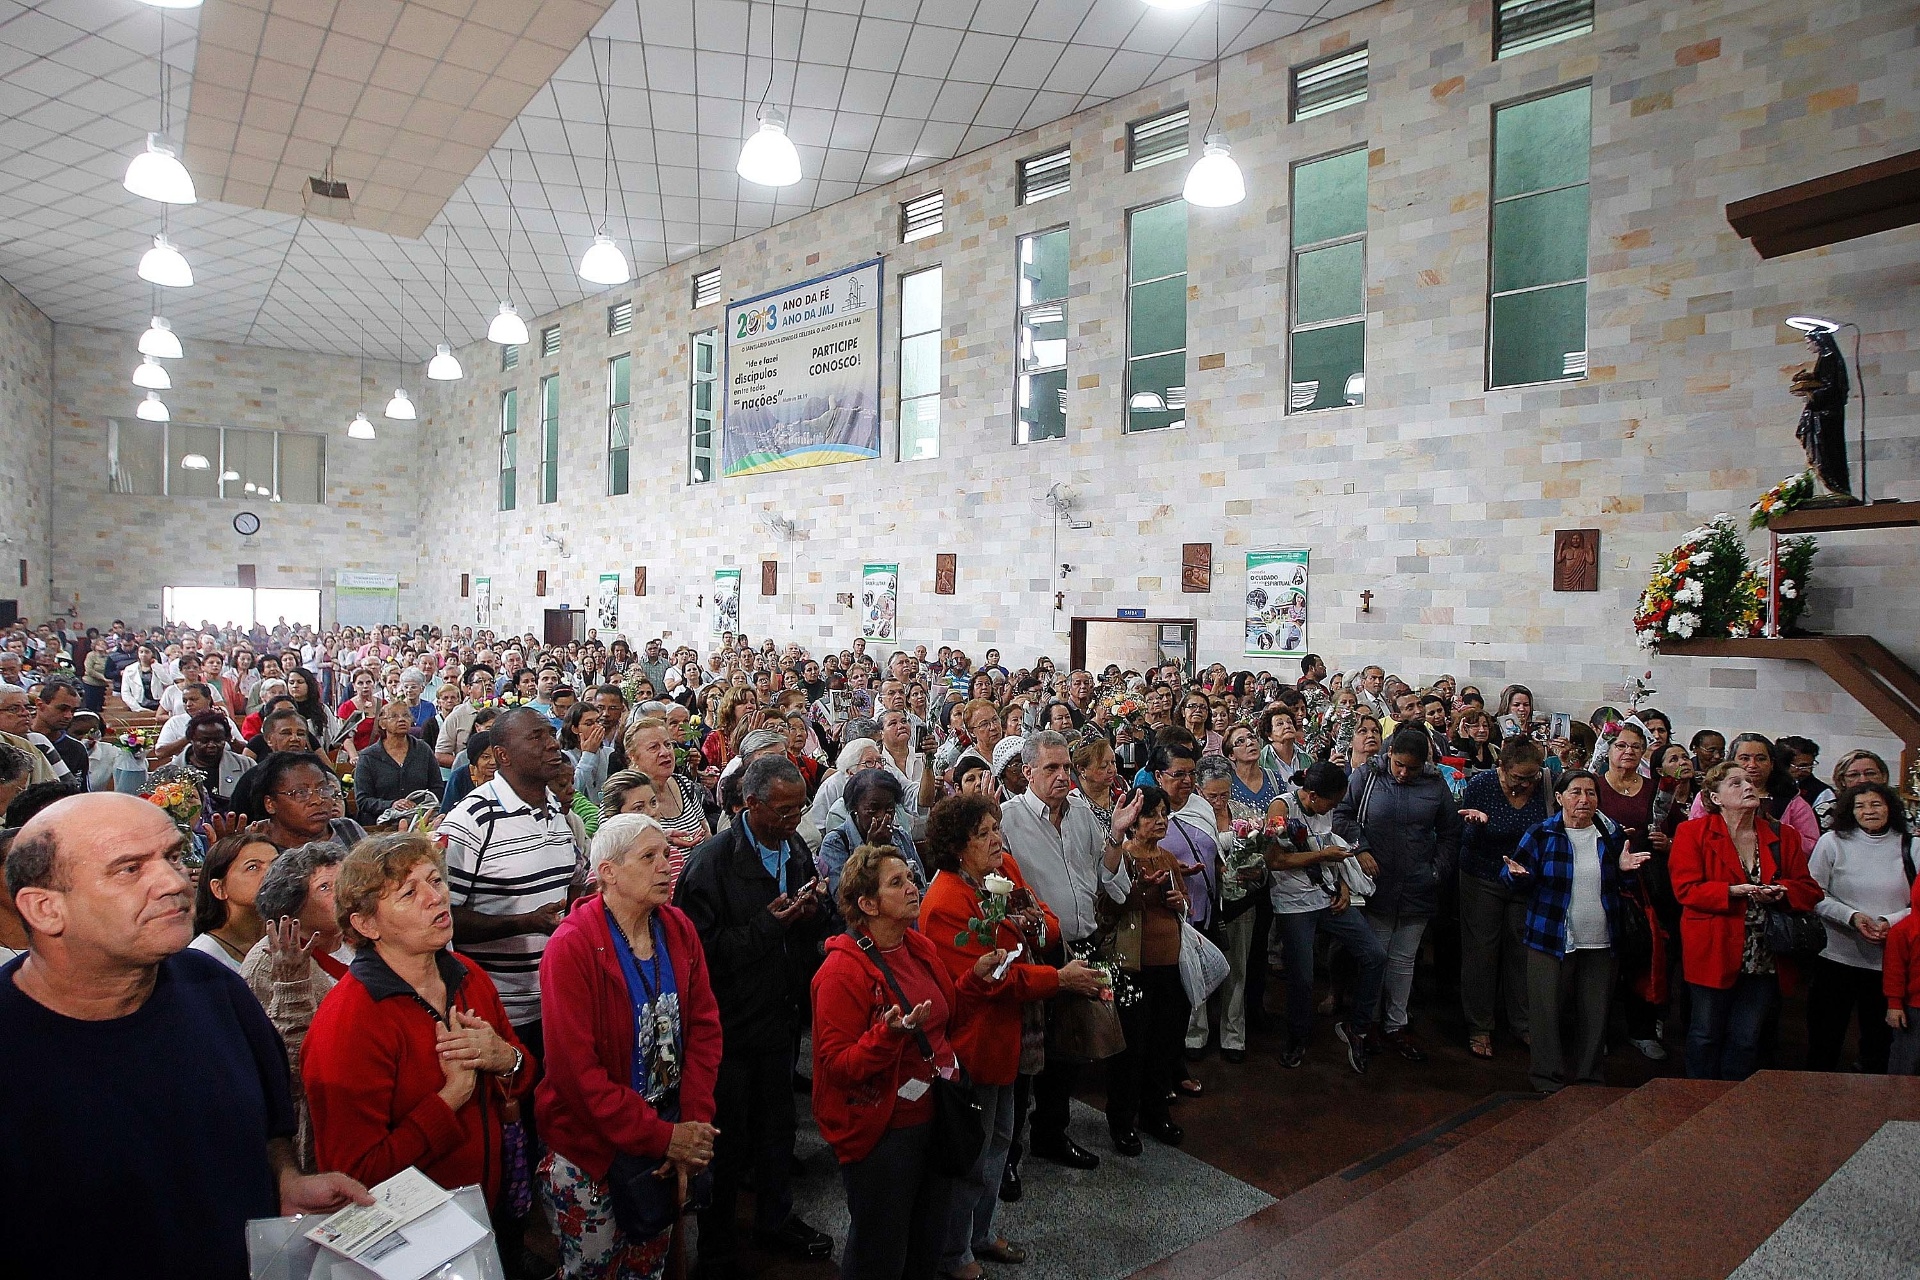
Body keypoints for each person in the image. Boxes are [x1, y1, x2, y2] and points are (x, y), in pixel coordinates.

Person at [0, 793, 370, 1279]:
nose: (174, 883)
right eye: (130, 869)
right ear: (45, 908)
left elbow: (267, 1130)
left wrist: (284, 1181)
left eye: (174, 857)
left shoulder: (216, 989)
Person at [303, 834, 534, 1223]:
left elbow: (524, 1073)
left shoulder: (468, 976)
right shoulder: (349, 1023)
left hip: (487, 1210)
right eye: (409, 893)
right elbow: (355, 1176)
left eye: (435, 880)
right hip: (411, 1233)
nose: (435, 897)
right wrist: (451, 1098)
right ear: (366, 924)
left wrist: (505, 1059)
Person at [921, 792, 1101, 1277]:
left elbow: (1048, 923)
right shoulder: (945, 901)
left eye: (996, 828)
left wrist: (1036, 926)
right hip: (975, 1037)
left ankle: (980, 1232)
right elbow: (993, 979)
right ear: (958, 846)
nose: (997, 839)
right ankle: (954, 1251)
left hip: (1015, 1033)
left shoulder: (1005, 872)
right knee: (971, 1150)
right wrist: (1057, 979)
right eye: (983, 833)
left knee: (1001, 1137)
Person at [537, 816, 723, 1280]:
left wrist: (692, 1122)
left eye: (666, 854)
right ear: (608, 871)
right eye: (649, 856)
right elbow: (577, 1075)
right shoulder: (572, 947)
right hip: (593, 1150)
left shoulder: (676, 927)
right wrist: (667, 1138)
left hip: (665, 1133)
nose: (667, 865)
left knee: (649, 1267)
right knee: (594, 1271)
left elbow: (703, 1027)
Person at [814, 843, 1007, 1280]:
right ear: (867, 904)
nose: (912, 886)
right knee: (879, 1252)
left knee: (927, 1241)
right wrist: (887, 1036)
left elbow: (944, 1016)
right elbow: (837, 1066)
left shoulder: (916, 946)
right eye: (896, 883)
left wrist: (973, 983)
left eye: (910, 877)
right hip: (883, 1129)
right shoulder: (840, 972)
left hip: (933, 1114)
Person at [672, 756, 835, 1273]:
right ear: (750, 804)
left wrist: (813, 915)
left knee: (778, 1128)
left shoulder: (794, 847)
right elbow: (698, 955)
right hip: (731, 1022)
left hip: (780, 1012)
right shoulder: (711, 863)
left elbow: (806, 923)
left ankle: (776, 1218)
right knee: (728, 1140)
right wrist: (768, 927)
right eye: (783, 811)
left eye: (800, 809)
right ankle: (717, 1243)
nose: (793, 820)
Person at [999, 730, 1136, 1173]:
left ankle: (1050, 1134)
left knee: (1070, 1048)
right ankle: (1008, 1158)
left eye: (1066, 768)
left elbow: (1105, 875)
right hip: (1037, 951)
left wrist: (1114, 834)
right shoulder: (1008, 819)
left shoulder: (1080, 815)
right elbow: (997, 889)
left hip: (1085, 942)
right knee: (1026, 1057)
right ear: (1027, 773)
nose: (1062, 777)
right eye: (1051, 769)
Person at [441, 707, 583, 1063]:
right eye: (536, 738)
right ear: (502, 755)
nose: (552, 745)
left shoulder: (557, 812)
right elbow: (442, 921)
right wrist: (521, 923)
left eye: (550, 735)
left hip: (556, 1001)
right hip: (498, 1012)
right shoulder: (473, 820)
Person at [1669, 762, 1822, 1080]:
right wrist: (1732, 891)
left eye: (1749, 782)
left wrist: (1782, 892)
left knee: (1746, 1038)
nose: (1748, 786)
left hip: (1764, 953)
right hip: (1713, 947)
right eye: (1735, 783)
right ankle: (1697, 1102)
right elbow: (1686, 890)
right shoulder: (1692, 832)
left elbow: (1810, 890)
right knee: (1705, 1034)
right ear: (1716, 796)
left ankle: (1731, 1105)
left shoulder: (1784, 836)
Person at [1501, 771, 1647, 1092]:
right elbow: (1513, 876)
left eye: (1591, 794)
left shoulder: (1610, 835)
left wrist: (1625, 872)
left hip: (1601, 940)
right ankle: (1546, 1079)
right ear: (1560, 797)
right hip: (1550, 938)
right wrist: (1519, 875)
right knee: (1545, 1013)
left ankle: (1590, 1078)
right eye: (1576, 792)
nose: (1584, 800)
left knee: (1596, 1015)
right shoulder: (1541, 834)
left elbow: (1623, 885)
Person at [1333, 728, 1463, 1060]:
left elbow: (1450, 832)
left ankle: (1396, 1024)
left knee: (1404, 960)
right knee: (1376, 955)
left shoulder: (1435, 785)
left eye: (1412, 768)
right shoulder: (1368, 776)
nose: (1403, 774)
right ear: (1389, 755)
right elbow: (1342, 815)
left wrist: (1437, 870)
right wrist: (1360, 849)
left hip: (1418, 883)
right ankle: (1368, 1021)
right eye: (1399, 765)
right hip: (1377, 882)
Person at [1266, 761, 1385, 1072]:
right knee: (1302, 978)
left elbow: (1331, 843)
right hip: (1293, 903)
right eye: (1331, 803)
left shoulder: (1324, 809)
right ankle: (1297, 1038)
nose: (1334, 808)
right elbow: (1275, 861)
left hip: (1327, 895)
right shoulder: (1281, 808)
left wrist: (1344, 886)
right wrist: (1321, 856)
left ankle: (1357, 1028)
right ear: (1314, 795)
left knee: (1374, 955)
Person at [241, 840, 351, 1171]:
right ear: (292, 911)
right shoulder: (269, 962)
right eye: (326, 887)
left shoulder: (361, 937)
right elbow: (285, 1069)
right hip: (313, 1125)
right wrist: (292, 986)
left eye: (345, 880)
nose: (345, 893)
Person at [1097, 784, 1193, 1154]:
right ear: (1133, 823)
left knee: (1163, 1043)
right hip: (1133, 964)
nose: (1160, 821)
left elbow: (1185, 903)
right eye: (1151, 815)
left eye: (1164, 814)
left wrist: (1177, 900)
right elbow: (1108, 905)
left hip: (1170, 964)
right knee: (1131, 1048)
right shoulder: (1122, 856)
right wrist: (1138, 890)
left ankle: (1156, 1113)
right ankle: (1122, 1120)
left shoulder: (1167, 858)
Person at [1806, 782, 1911, 1074]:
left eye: (1876, 804)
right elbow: (1814, 894)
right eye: (1860, 806)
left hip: (1889, 962)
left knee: (1879, 1043)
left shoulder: (1911, 845)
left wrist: (1890, 922)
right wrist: (1852, 917)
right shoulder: (1832, 842)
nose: (1869, 811)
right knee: (1825, 1038)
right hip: (1836, 955)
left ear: (1890, 807)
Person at [1455, 737, 1548, 1059]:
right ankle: (1480, 1025)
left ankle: (1522, 1023)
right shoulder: (1481, 785)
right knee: (1482, 952)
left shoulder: (1544, 787)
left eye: (1531, 777)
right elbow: (1464, 839)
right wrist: (1477, 826)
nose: (1525, 784)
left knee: (1522, 952)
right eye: (1518, 777)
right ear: (1502, 769)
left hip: (1524, 880)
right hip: (1482, 876)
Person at [1687, 732, 1820, 851]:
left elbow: (1812, 846)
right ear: (1731, 762)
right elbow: (1695, 836)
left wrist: (1778, 830)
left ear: (1772, 764)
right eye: (1744, 758)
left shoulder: (1791, 800)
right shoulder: (1710, 795)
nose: (1752, 765)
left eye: (1761, 759)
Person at [624, 714, 711, 889]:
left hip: (697, 886)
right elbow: (615, 849)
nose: (665, 752)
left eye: (667, 744)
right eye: (654, 747)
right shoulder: (624, 794)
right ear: (633, 756)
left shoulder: (684, 784)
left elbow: (706, 834)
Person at [817, 767, 924, 899]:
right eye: (872, 810)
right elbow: (843, 900)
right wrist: (872, 850)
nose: (882, 816)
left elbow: (920, 887)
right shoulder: (835, 843)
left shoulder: (900, 836)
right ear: (855, 807)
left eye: (889, 809)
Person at [188, 831, 279, 973]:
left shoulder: (290, 939)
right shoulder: (201, 957)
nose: (271, 874)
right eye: (253, 867)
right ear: (219, 888)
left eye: (276, 864)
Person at [247, 751, 368, 851]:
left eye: (323, 789)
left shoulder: (348, 830)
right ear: (270, 804)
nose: (318, 800)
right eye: (301, 793)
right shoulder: (255, 843)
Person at [353, 698, 442, 825]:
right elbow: (363, 800)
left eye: (405, 715)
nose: (401, 719)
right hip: (379, 826)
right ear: (382, 724)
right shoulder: (368, 757)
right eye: (394, 716)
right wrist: (392, 804)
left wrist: (417, 805)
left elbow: (437, 788)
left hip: (418, 821)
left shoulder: (423, 750)